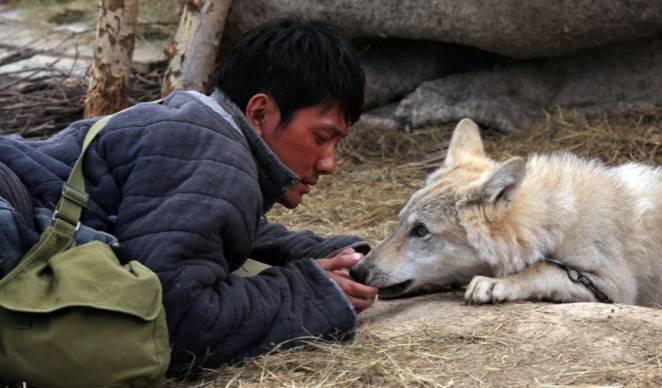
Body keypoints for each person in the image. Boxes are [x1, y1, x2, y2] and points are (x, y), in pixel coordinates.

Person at [0, 16, 378, 374]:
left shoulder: (198, 128)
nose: (329, 163)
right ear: (260, 113)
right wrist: (309, 293)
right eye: (322, 138)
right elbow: (172, 320)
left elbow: (206, 225)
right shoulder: (214, 157)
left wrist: (317, 252)